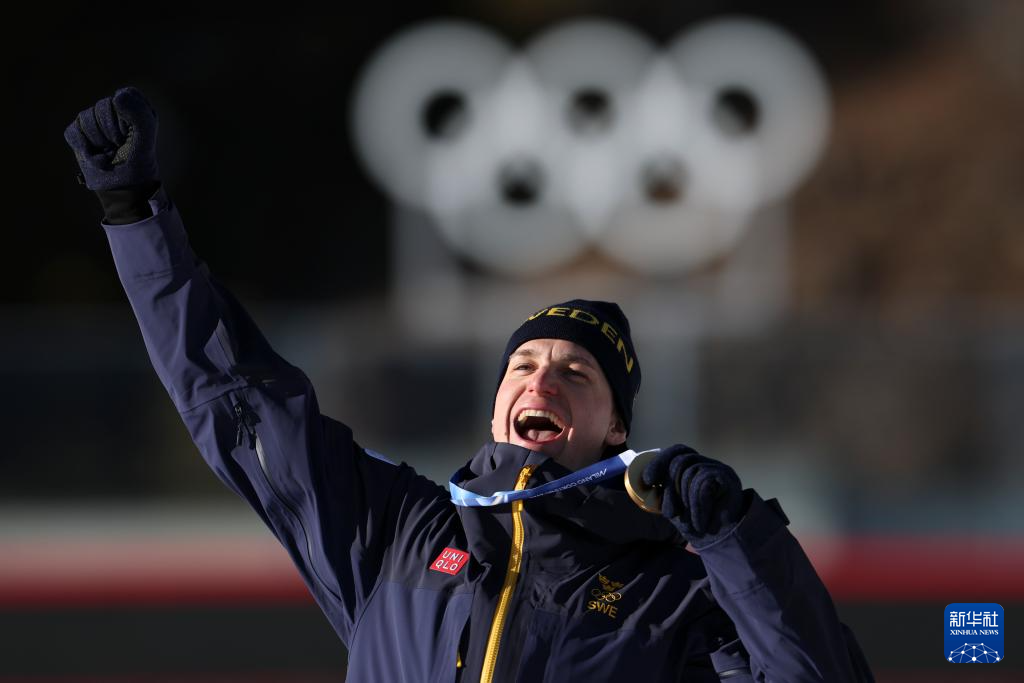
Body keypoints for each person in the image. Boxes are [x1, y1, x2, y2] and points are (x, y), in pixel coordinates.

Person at [65, 86, 874, 682]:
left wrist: (739, 538)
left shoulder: (674, 592)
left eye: (575, 372)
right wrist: (134, 216)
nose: (542, 378)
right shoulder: (395, 530)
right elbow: (239, 399)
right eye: (523, 364)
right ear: (496, 407)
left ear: (617, 427)